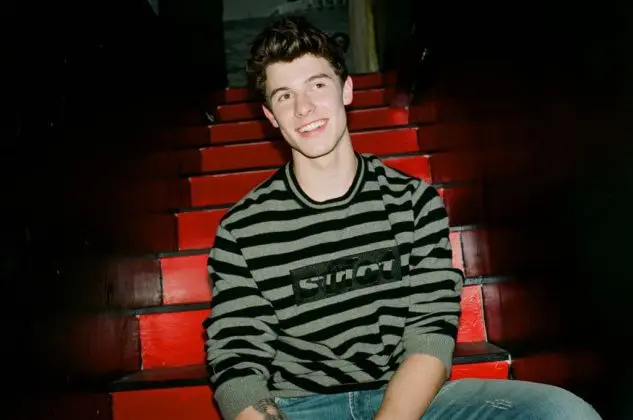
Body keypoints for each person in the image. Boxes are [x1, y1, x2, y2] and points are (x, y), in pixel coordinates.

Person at [203, 15, 603, 420]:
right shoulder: (242, 229)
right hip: (301, 407)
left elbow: (430, 335)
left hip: (409, 396)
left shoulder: (413, 202)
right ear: (270, 115)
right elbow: (236, 360)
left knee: (562, 412)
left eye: (317, 85)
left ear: (346, 89)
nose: (303, 108)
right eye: (284, 96)